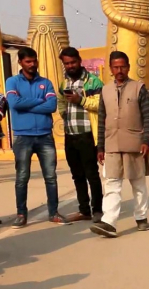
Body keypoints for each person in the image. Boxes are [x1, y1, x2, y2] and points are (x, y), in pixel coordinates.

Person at [91, 51, 149, 238]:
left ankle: (141, 218)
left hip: (134, 143)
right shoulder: (105, 90)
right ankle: (109, 222)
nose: (119, 70)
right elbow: (102, 119)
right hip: (111, 144)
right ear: (111, 69)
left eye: (123, 67)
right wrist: (100, 147)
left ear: (128, 67)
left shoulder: (138, 88)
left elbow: (148, 116)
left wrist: (146, 141)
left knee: (138, 183)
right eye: (116, 67)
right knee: (111, 185)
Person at [6, 47, 70, 228]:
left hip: (44, 136)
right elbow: (13, 103)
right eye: (28, 61)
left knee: (50, 177)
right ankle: (21, 214)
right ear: (20, 62)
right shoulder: (12, 82)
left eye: (34, 61)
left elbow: (51, 107)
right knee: (22, 177)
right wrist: (39, 101)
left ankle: (53, 212)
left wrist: (25, 104)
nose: (32, 64)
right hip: (22, 137)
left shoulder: (46, 82)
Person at [57, 47, 104, 223]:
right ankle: (84, 210)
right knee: (77, 175)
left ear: (79, 60)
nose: (70, 66)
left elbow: (100, 104)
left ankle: (97, 210)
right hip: (71, 135)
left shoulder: (93, 82)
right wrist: (64, 113)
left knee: (92, 174)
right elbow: (60, 100)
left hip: (87, 135)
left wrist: (80, 100)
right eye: (67, 63)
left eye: (73, 62)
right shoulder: (64, 83)